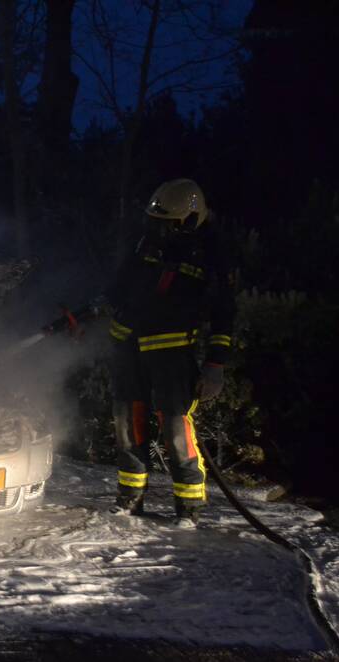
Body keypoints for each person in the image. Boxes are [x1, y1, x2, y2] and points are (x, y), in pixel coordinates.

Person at [105, 179, 234, 527]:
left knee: (175, 428)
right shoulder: (146, 242)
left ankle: (188, 506)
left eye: (168, 223)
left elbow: (224, 312)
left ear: (190, 220)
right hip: (129, 348)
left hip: (172, 354)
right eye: (156, 221)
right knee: (127, 425)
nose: (159, 228)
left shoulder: (209, 254)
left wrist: (215, 364)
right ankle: (131, 498)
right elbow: (119, 287)